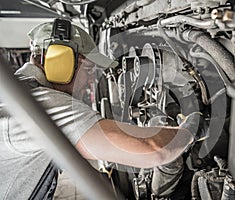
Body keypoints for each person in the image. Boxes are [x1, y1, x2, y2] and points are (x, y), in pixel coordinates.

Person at [0, 18, 204, 199]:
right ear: (61, 61)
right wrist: (191, 127)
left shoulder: (22, 94)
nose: (90, 80)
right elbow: (153, 150)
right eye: (88, 69)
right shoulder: (40, 105)